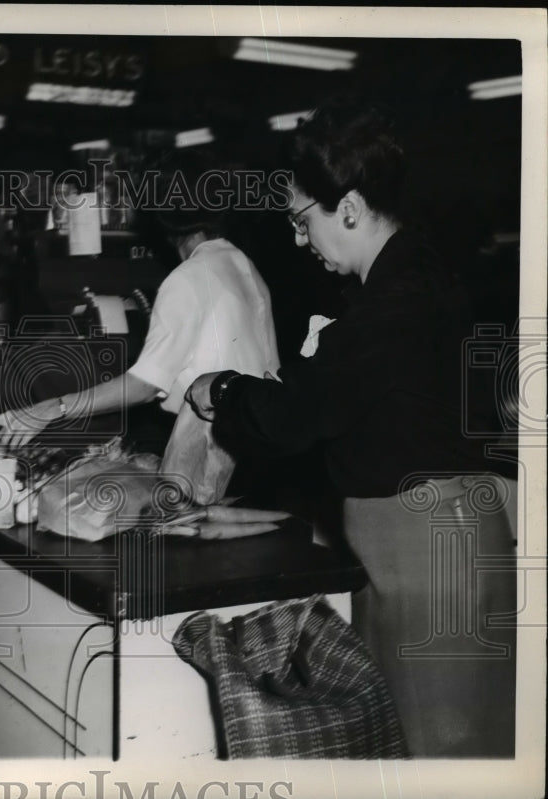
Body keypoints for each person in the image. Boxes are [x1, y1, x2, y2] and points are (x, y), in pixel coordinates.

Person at [186, 96, 516, 757]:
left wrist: (219, 388)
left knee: (441, 755)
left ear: (353, 208)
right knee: (402, 747)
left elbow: (295, 418)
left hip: (432, 553)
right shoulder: (406, 279)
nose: (300, 241)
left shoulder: (395, 302)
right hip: (409, 549)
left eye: (302, 222)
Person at [0, 153, 280, 449]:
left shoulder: (188, 277)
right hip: (255, 439)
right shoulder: (242, 263)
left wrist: (52, 408)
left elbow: (145, 385)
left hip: (207, 447)